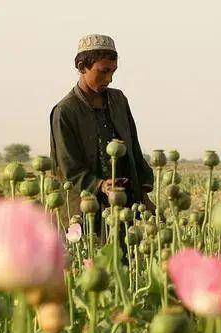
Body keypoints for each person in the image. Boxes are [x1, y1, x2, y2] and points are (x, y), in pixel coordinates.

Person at [49, 34, 154, 225]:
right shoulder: (65, 111)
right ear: (82, 67)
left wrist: (143, 193)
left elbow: (134, 150)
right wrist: (101, 185)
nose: (109, 78)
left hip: (125, 205)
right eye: (103, 71)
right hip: (84, 210)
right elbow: (68, 168)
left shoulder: (118, 100)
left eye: (113, 71)